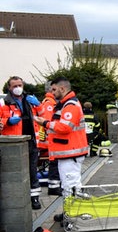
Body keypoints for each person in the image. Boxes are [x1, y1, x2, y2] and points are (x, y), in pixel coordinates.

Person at [33, 77, 89, 207]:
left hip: (71, 153)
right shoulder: (65, 104)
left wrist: (45, 123)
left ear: (62, 88)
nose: (51, 93)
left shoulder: (70, 105)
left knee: (71, 186)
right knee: (68, 185)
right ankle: (69, 213)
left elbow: (64, 127)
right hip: (68, 153)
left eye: (54, 89)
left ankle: (73, 215)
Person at [0, 76, 43, 209]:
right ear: (9, 87)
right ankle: (15, 198)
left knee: (32, 171)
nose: (18, 88)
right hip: (14, 143)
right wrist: (7, 121)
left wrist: (39, 105)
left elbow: (44, 117)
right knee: (16, 173)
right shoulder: (4, 103)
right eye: (15, 86)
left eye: (20, 85)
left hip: (32, 141)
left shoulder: (29, 100)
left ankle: (34, 198)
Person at [37, 81, 62, 196]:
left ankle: (55, 186)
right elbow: (47, 122)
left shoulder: (52, 102)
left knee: (55, 161)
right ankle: (54, 187)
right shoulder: (49, 104)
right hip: (49, 141)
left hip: (50, 139)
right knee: (54, 161)